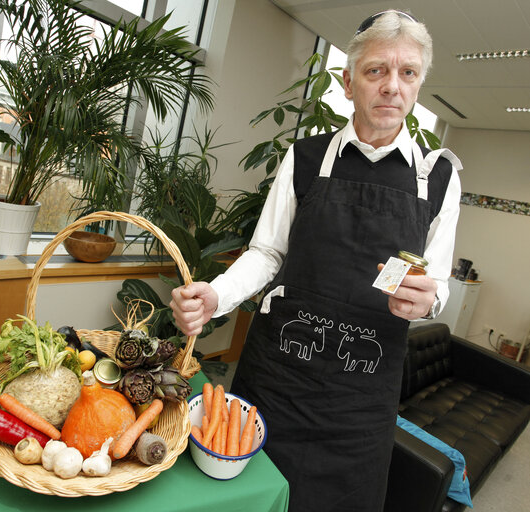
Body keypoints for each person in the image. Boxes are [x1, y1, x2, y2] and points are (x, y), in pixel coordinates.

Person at [170, 10, 462, 512]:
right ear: (349, 83)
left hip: (362, 400)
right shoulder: (305, 158)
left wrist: (430, 299)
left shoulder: (439, 177)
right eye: (376, 71)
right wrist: (217, 294)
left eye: (407, 73)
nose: (392, 86)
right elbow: (267, 253)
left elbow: (438, 280)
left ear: (418, 84)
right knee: (247, 498)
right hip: (279, 378)